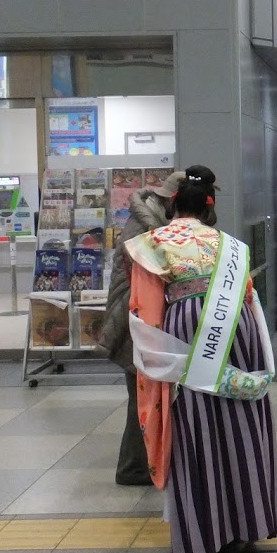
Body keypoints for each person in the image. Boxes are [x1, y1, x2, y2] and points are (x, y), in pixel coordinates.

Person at [126, 172, 277, 553]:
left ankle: (208, 532)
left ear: (171, 205)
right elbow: (247, 295)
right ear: (208, 208)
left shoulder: (153, 244)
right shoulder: (230, 246)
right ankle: (249, 524)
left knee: (197, 426)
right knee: (242, 421)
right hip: (237, 328)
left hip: (183, 330)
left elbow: (146, 309)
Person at [99, 166, 217, 486]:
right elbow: (154, 277)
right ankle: (134, 468)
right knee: (144, 398)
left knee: (148, 396)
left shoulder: (154, 223)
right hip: (133, 320)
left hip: (139, 317)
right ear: (172, 203)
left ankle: (147, 465)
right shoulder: (147, 230)